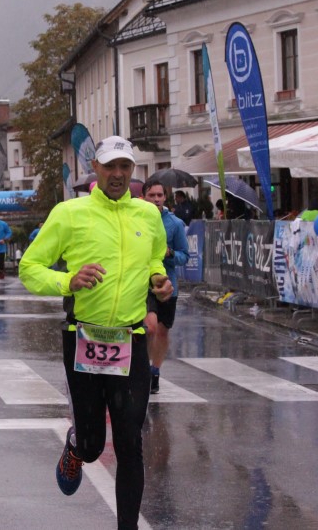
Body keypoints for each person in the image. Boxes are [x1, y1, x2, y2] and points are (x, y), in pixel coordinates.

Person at [19, 135, 171, 530]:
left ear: (132, 171)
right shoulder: (70, 214)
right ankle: (76, 445)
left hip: (131, 339)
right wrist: (68, 281)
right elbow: (29, 268)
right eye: (110, 166)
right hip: (83, 337)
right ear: (96, 169)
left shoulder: (148, 214)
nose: (118, 174)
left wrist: (159, 278)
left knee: (130, 442)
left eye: (125, 167)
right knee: (92, 446)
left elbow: (155, 257)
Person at [141, 179, 189, 394]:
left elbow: (184, 256)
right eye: (152, 195)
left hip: (167, 284)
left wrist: (170, 254)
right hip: (143, 284)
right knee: (148, 328)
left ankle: (155, 371)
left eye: (160, 195)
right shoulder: (137, 219)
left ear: (165, 198)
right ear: (143, 197)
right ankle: (143, 368)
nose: (156, 199)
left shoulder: (175, 224)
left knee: (161, 331)